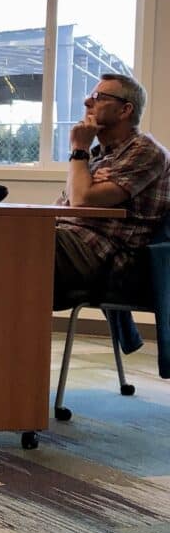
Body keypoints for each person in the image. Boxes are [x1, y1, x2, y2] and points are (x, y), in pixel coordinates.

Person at [53, 74, 170, 347]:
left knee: (11, 251)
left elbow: (79, 201)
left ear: (125, 109)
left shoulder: (146, 150)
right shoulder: (99, 155)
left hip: (104, 253)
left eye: (98, 97)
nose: (86, 101)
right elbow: (65, 204)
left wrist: (79, 149)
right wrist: (87, 179)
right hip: (72, 240)